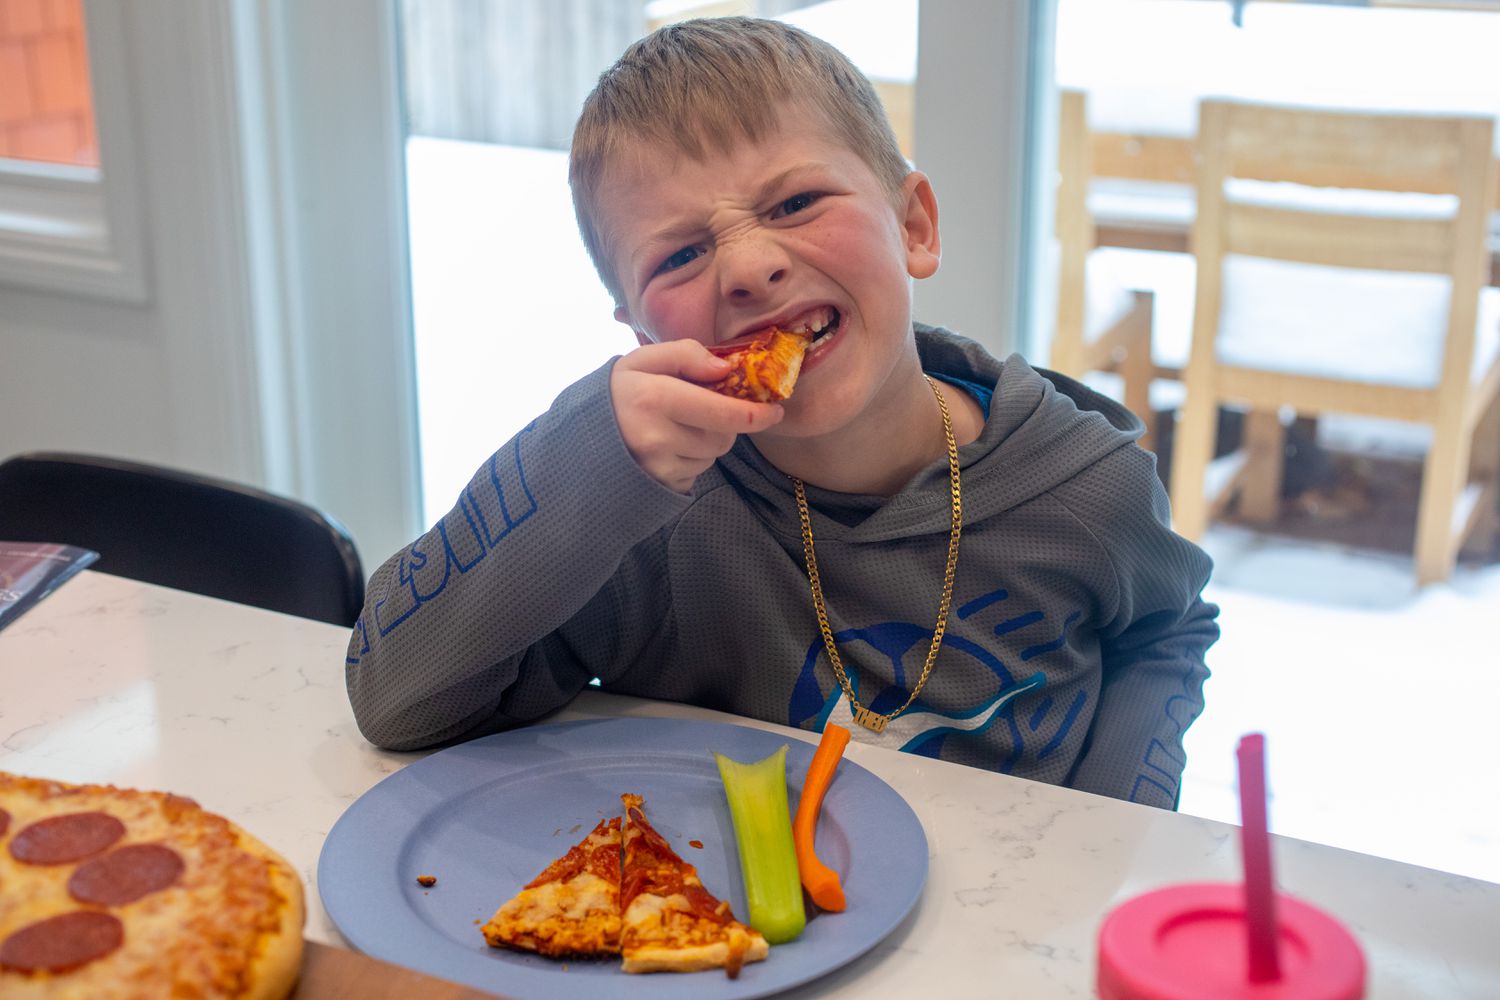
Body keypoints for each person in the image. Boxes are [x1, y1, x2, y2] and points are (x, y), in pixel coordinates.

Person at [345, 17, 1218, 809]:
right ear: (639, 329)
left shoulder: (1084, 491)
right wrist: (586, 459)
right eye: (681, 254)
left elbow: (1165, 630)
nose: (750, 267)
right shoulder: (640, 525)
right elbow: (396, 699)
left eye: (795, 203)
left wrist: (1115, 825)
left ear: (914, 226)